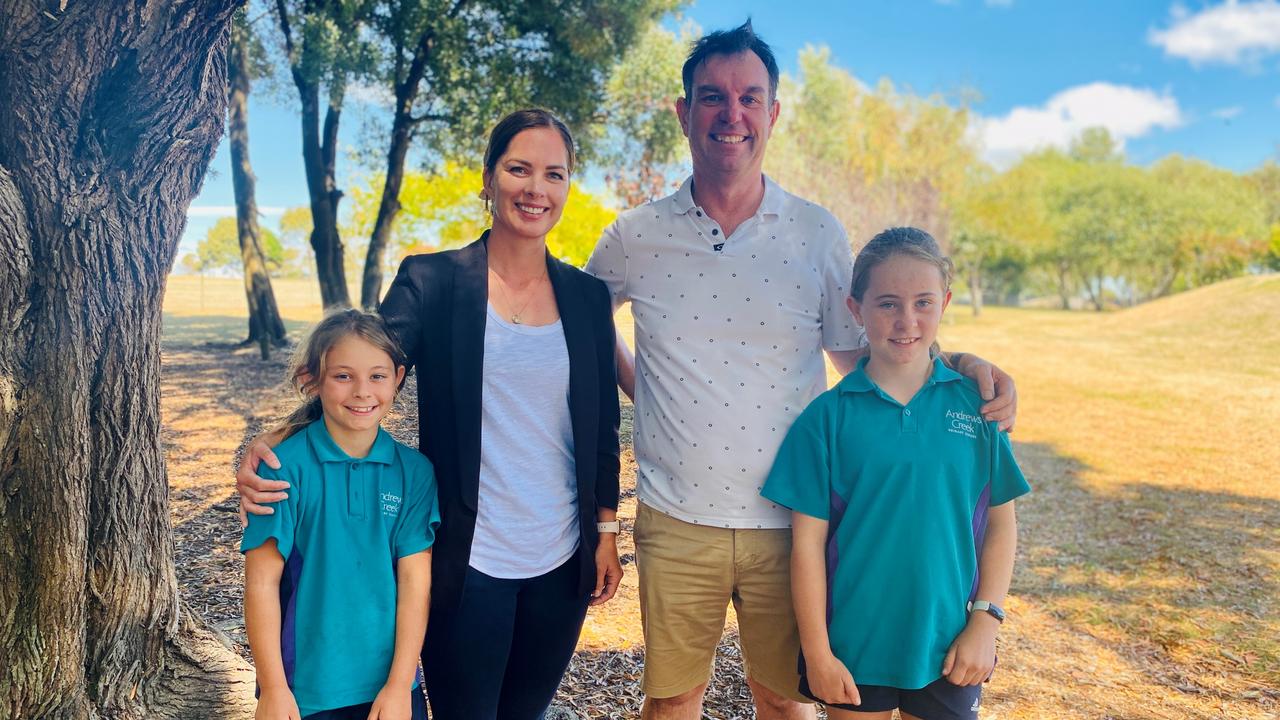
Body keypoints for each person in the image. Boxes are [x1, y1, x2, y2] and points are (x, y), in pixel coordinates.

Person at [584, 22, 1018, 720]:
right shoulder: (634, 236)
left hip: (797, 523)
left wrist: (960, 364)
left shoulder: (816, 232)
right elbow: (580, 318)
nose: (732, 114)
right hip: (676, 518)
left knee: (787, 703)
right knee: (671, 703)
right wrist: (645, 387)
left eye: (750, 98)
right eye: (712, 97)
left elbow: (869, 351)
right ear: (683, 111)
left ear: (774, 113)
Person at [238, 109, 623, 720]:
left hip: (561, 558)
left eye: (554, 174)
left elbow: (602, 425)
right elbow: (364, 369)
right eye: (518, 169)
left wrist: (606, 531)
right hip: (466, 561)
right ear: (489, 178)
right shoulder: (433, 282)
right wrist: (279, 438)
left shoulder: (586, 297)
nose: (535, 188)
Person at [761, 227, 1029, 720]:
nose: (907, 320)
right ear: (855, 308)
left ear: (944, 302)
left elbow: (1001, 525)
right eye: (887, 304)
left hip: (950, 643)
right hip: (854, 645)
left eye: (923, 302)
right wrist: (818, 653)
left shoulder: (978, 408)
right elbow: (805, 548)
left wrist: (985, 624)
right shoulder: (826, 419)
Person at [242, 309, 439, 720]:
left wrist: (401, 684)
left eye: (378, 376)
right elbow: (261, 582)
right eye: (343, 376)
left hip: (389, 687)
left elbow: (414, 582)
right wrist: (273, 688)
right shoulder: (281, 468)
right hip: (304, 689)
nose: (362, 391)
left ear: (398, 378)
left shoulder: (414, 472)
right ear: (312, 379)